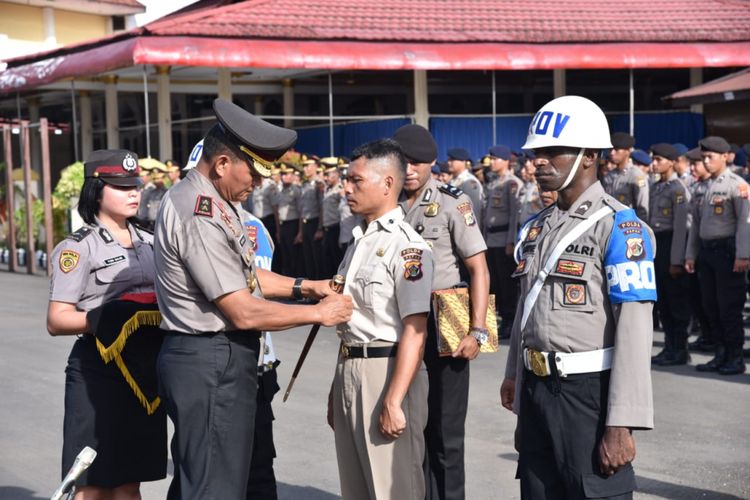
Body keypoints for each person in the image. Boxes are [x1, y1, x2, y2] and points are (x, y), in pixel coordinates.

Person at [154, 99, 352, 499]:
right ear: (223, 164)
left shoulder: (217, 203)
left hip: (216, 360)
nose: (258, 184)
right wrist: (317, 313)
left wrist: (306, 286)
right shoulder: (200, 211)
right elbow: (241, 309)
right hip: (209, 358)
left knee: (213, 478)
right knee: (214, 486)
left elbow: (245, 276)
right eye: (254, 172)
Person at [500, 95, 656, 499]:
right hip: (536, 387)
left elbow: (635, 331)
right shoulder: (537, 227)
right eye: (537, 153)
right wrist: (514, 375)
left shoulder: (621, 228)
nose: (538, 162)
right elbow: (526, 306)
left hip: (588, 393)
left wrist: (622, 422)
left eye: (553, 152)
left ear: (589, 156)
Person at [47, 149, 167, 499]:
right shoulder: (78, 248)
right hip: (98, 372)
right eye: (121, 186)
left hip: (144, 373)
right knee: (94, 484)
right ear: (96, 191)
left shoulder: (150, 242)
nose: (133, 192)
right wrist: (106, 317)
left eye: (135, 185)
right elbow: (57, 319)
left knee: (130, 482)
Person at [328, 139, 433, 500]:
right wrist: (336, 387)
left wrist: (393, 400)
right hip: (351, 368)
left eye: (356, 181)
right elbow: (353, 325)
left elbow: (415, 332)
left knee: (393, 488)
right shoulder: (360, 241)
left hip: (388, 372)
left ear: (387, 184)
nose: (347, 188)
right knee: (356, 488)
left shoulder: (408, 247)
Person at [392, 124, 490, 500]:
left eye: (418, 162)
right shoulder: (387, 202)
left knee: (447, 432)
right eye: (404, 161)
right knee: (410, 427)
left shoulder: (453, 202)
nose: (411, 169)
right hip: (401, 319)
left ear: (433, 163)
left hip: (446, 313)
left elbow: (478, 268)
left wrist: (477, 330)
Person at [685, 136, 750, 375]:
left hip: (728, 252)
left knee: (728, 308)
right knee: (710, 307)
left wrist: (743, 255)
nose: (706, 161)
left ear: (724, 157)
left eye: (710, 157)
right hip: (707, 252)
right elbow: (696, 226)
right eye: (703, 157)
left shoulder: (737, 185)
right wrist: (690, 255)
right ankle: (720, 354)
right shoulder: (701, 186)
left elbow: (745, 224)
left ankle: (735, 357)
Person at [647, 143, 692, 365]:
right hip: (658, 245)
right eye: (653, 159)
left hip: (672, 244)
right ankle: (669, 346)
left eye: (659, 160)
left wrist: (676, 260)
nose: (654, 163)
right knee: (663, 302)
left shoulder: (678, 189)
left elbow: (681, 227)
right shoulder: (656, 187)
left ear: (672, 162)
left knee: (676, 302)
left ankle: (680, 349)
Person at [484, 145, 523, 339]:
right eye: (491, 159)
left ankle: (509, 319)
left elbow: (515, 216)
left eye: (495, 158)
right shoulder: (493, 183)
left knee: (506, 284)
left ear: (506, 161)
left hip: (503, 240)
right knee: (494, 283)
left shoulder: (512, 183)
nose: (491, 162)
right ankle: (499, 317)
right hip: (491, 239)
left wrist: (511, 242)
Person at [605, 131, 649, 220]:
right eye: (611, 149)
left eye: (616, 150)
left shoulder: (636, 175)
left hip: (629, 225)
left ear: (627, 151)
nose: (612, 153)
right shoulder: (609, 175)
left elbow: (642, 209)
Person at [274, 162, 304, 277]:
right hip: (282, 226)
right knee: (285, 255)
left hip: (293, 225)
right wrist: (278, 231)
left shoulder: (296, 190)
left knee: (294, 256)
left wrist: (300, 232)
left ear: (292, 175)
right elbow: (277, 212)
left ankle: (296, 282)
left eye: (287, 174)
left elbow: (301, 212)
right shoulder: (280, 191)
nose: (285, 177)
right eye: (283, 174)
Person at [447, 148, 484, 226]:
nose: (448, 162)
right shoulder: (453, 181)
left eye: (452, 160)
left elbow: (474, 212)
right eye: (449, 160)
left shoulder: (469, 182)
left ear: (462, 162)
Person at [301, 157, 324, 279]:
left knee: (317, 258)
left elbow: (322, 207)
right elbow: (302, 209)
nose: (305, 169)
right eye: (304, 166)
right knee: (307, 257)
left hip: (315, 223)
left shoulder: (319, 185)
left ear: (315, 167)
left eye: (308, 166)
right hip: (305, 224)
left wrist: (320, 228)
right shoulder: (304, 185)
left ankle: (318, 288)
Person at [320, 160, 344, 277]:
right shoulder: (327, 189)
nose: (325, 178)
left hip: (336, 228)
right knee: (327, 260)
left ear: (336, 174)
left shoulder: (340, 189)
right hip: (327, 229)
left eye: (327, 175)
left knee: (337, 261)